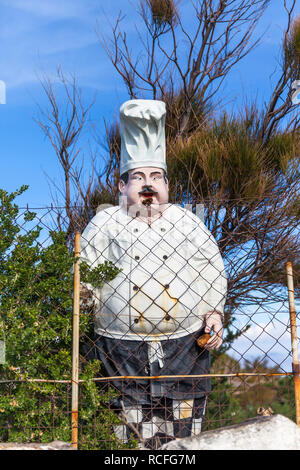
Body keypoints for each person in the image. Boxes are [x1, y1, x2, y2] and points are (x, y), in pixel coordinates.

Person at [81, 99, 227, 448]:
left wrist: (214, 311)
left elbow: (210, 269)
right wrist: (84, 300)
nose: (148, 184)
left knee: (183, 439)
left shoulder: (187, 222)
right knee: (130, 437)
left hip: (185, 348)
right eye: (138, 177)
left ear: (167, 184)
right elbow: (84, 270)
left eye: (156, 177)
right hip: (120, 351)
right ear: (121, 186)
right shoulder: (105, 222)